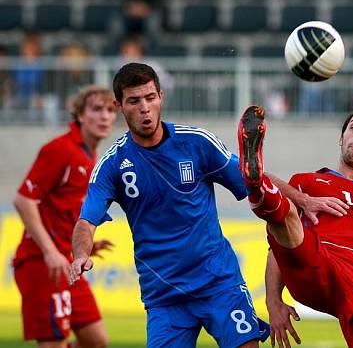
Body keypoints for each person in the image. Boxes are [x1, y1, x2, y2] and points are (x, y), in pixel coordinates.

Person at [69, 63, 269, 348]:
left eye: (150, 98)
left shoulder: (197, 142)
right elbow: (86, 223)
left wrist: (301, 199)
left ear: (161, 96)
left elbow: (254, 179)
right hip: (165, 296)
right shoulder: (112, 165)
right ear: (119, 106)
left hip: (218, 282)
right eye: (134, 101)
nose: (144, 108)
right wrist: (79, 255)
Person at [237, 102, 353, 348]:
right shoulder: (308, 183)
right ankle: (255, 183)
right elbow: (278, 250)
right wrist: (274, 303)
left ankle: (258, 186)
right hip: (317, 262)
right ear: (341, 137)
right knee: (287, 213)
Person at [13, 85, 118, 348]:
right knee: (53, 343)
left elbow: (63, 209)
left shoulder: (90, 156)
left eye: (109, 110)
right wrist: (49, 251)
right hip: (42, 264)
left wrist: (86, 247)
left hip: (67, 263)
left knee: (96, 340)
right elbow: (24, 200)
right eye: (96, 109)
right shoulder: (61, 149)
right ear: (80, 115)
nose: (105, 116)